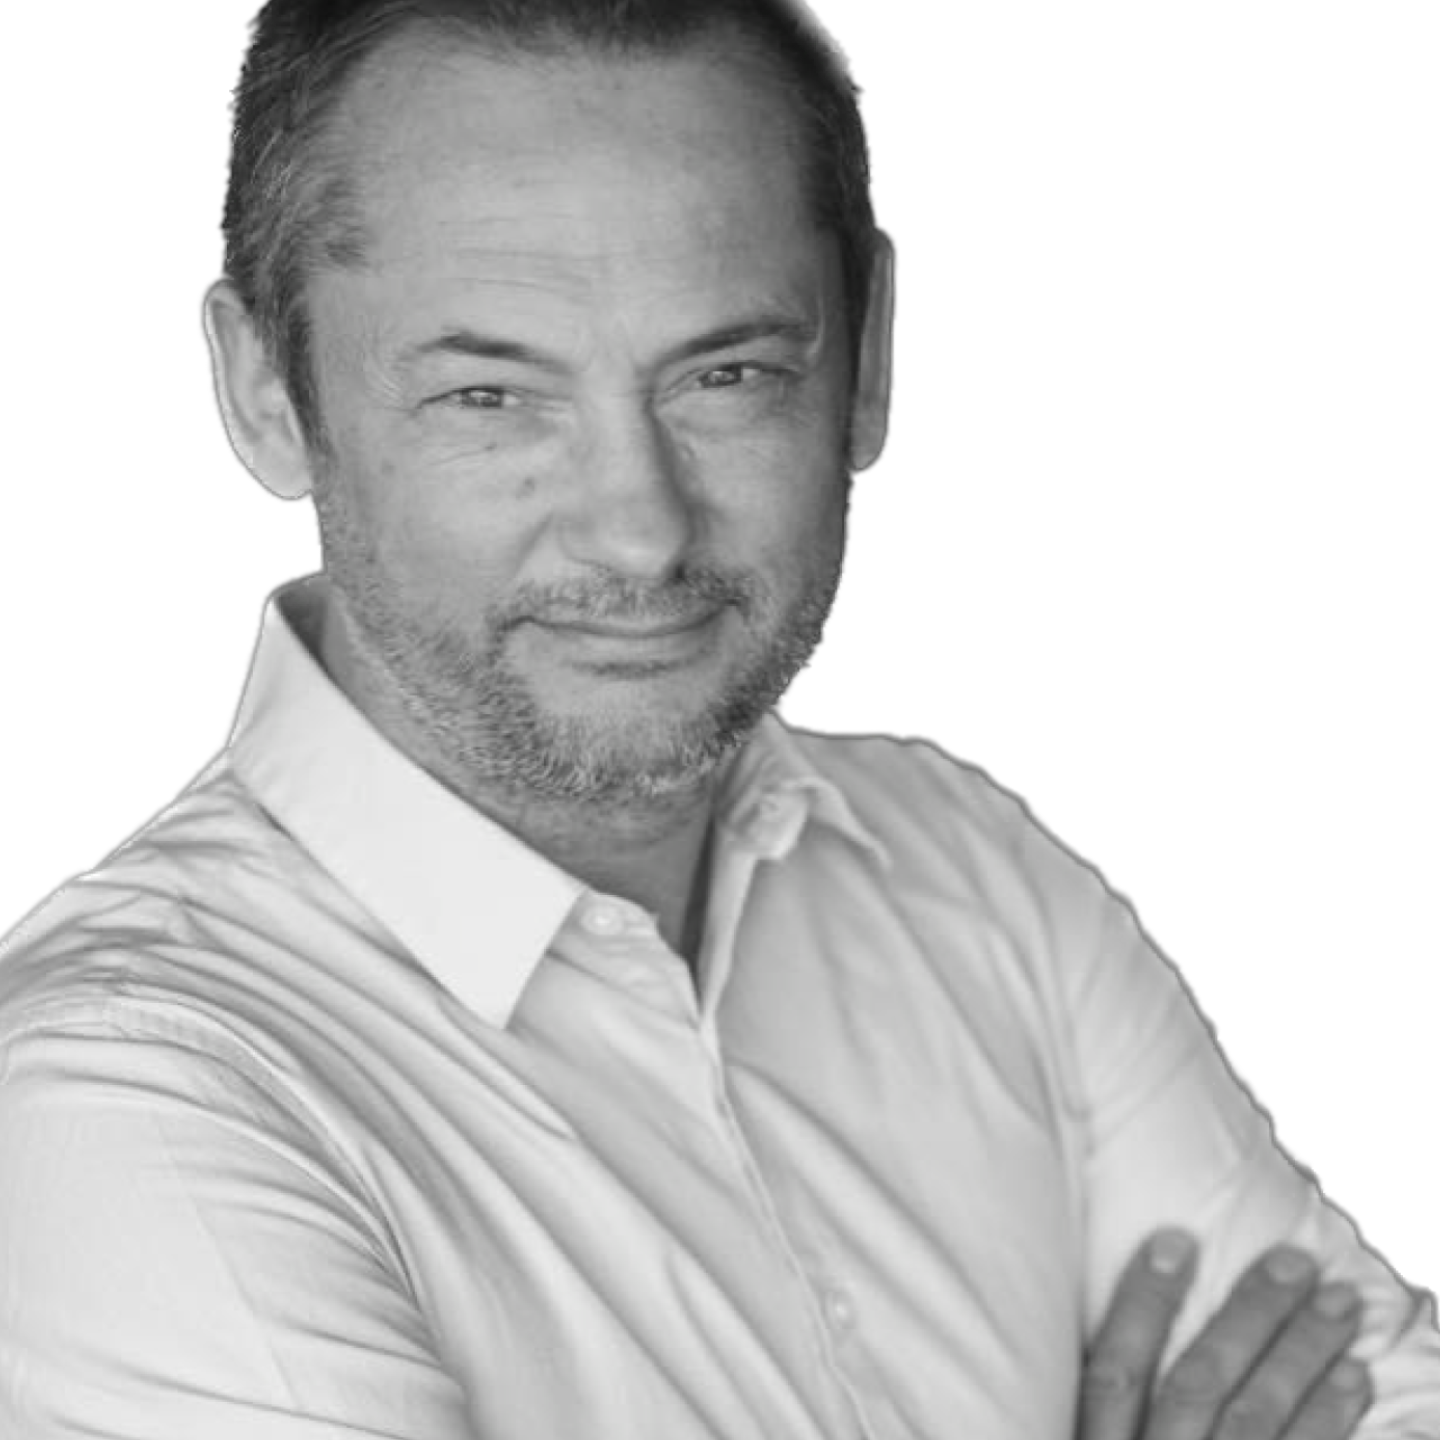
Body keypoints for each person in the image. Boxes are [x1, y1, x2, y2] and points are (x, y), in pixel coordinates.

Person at [0, 1, 1435, 1436]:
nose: (637, 532)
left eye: (725, 375)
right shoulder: (121, 1106)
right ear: (264, 391)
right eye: (489, 394)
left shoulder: (976, 880)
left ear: (865, 358)